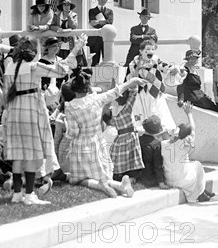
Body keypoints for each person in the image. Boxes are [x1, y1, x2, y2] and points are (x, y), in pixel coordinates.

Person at [3, 35, 85, 205]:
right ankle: (29, 194)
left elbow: (5, 94)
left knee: (18, 155)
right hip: (31, 112)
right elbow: (61, 70)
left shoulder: (10, 66)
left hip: (13, 113)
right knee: (33, 155)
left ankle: (17, 194)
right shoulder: (34, 66)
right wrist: (76, 48)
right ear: (34, 51)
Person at [65, 69, 146, 198]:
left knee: (78, 179)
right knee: (101, 175)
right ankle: (121, 186)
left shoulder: (70, 107)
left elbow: (73, 132)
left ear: (74, 90)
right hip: (97, 142)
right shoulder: (97, 99)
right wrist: (132, 81)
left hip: (81, 144)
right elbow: (115, 92)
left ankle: (99, 186)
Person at [161, 103, 214, 202]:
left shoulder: (164, 144)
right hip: (182, 181)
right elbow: (193, 128)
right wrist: (189, 113)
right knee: (197, 165)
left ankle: (203, 191)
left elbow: (165, 134)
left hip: (168, 180)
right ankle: (201, 193)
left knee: (190, 165)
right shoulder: (185, 145)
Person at [126, 40, 179, 132]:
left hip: (154, 92)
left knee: (157, 113)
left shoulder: (156, 61)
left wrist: (172, 69)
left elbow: (165, 67)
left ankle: (158, 130)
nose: (150, 51)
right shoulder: (133, 64)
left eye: (152, 49)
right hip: (140, 92)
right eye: (148, 49)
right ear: (141, 51)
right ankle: (142, 131)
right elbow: (128, 78)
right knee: (139, 113)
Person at [109, 86, 145, 182]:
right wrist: (134, 81)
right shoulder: (127, 109)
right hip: (130, 136)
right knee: (132, 158)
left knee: (121, 158)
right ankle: (132, 178)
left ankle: (119, 175)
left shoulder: (113, 110)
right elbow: (134, 94)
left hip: (120, 137)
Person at [137, 116, 169, 189]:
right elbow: (157, 165)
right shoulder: (156, 143)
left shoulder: (138, 139)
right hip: (149, 179)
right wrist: (161, 182)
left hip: (138, 175)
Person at [51, 0, 85, 66]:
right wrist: (58, 28)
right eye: (65, 5)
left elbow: (74, 26)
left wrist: (69, 16)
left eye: (68, 5)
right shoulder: (56, 15)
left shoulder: (74, 15)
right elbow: (51, 26)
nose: (67, 7)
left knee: (73, 61)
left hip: (71, 40)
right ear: (62, 6)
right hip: (60, 40)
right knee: (60, 61)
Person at [87, 0, 114, 66]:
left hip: (106, 38)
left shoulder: (110, 11)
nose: (103, 0)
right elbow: (93, 23)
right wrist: (104, 22)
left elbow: (110, 22)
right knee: (95, 61)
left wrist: (98, 22)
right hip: (94, 39)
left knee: (107, 61)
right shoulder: (92, 11)